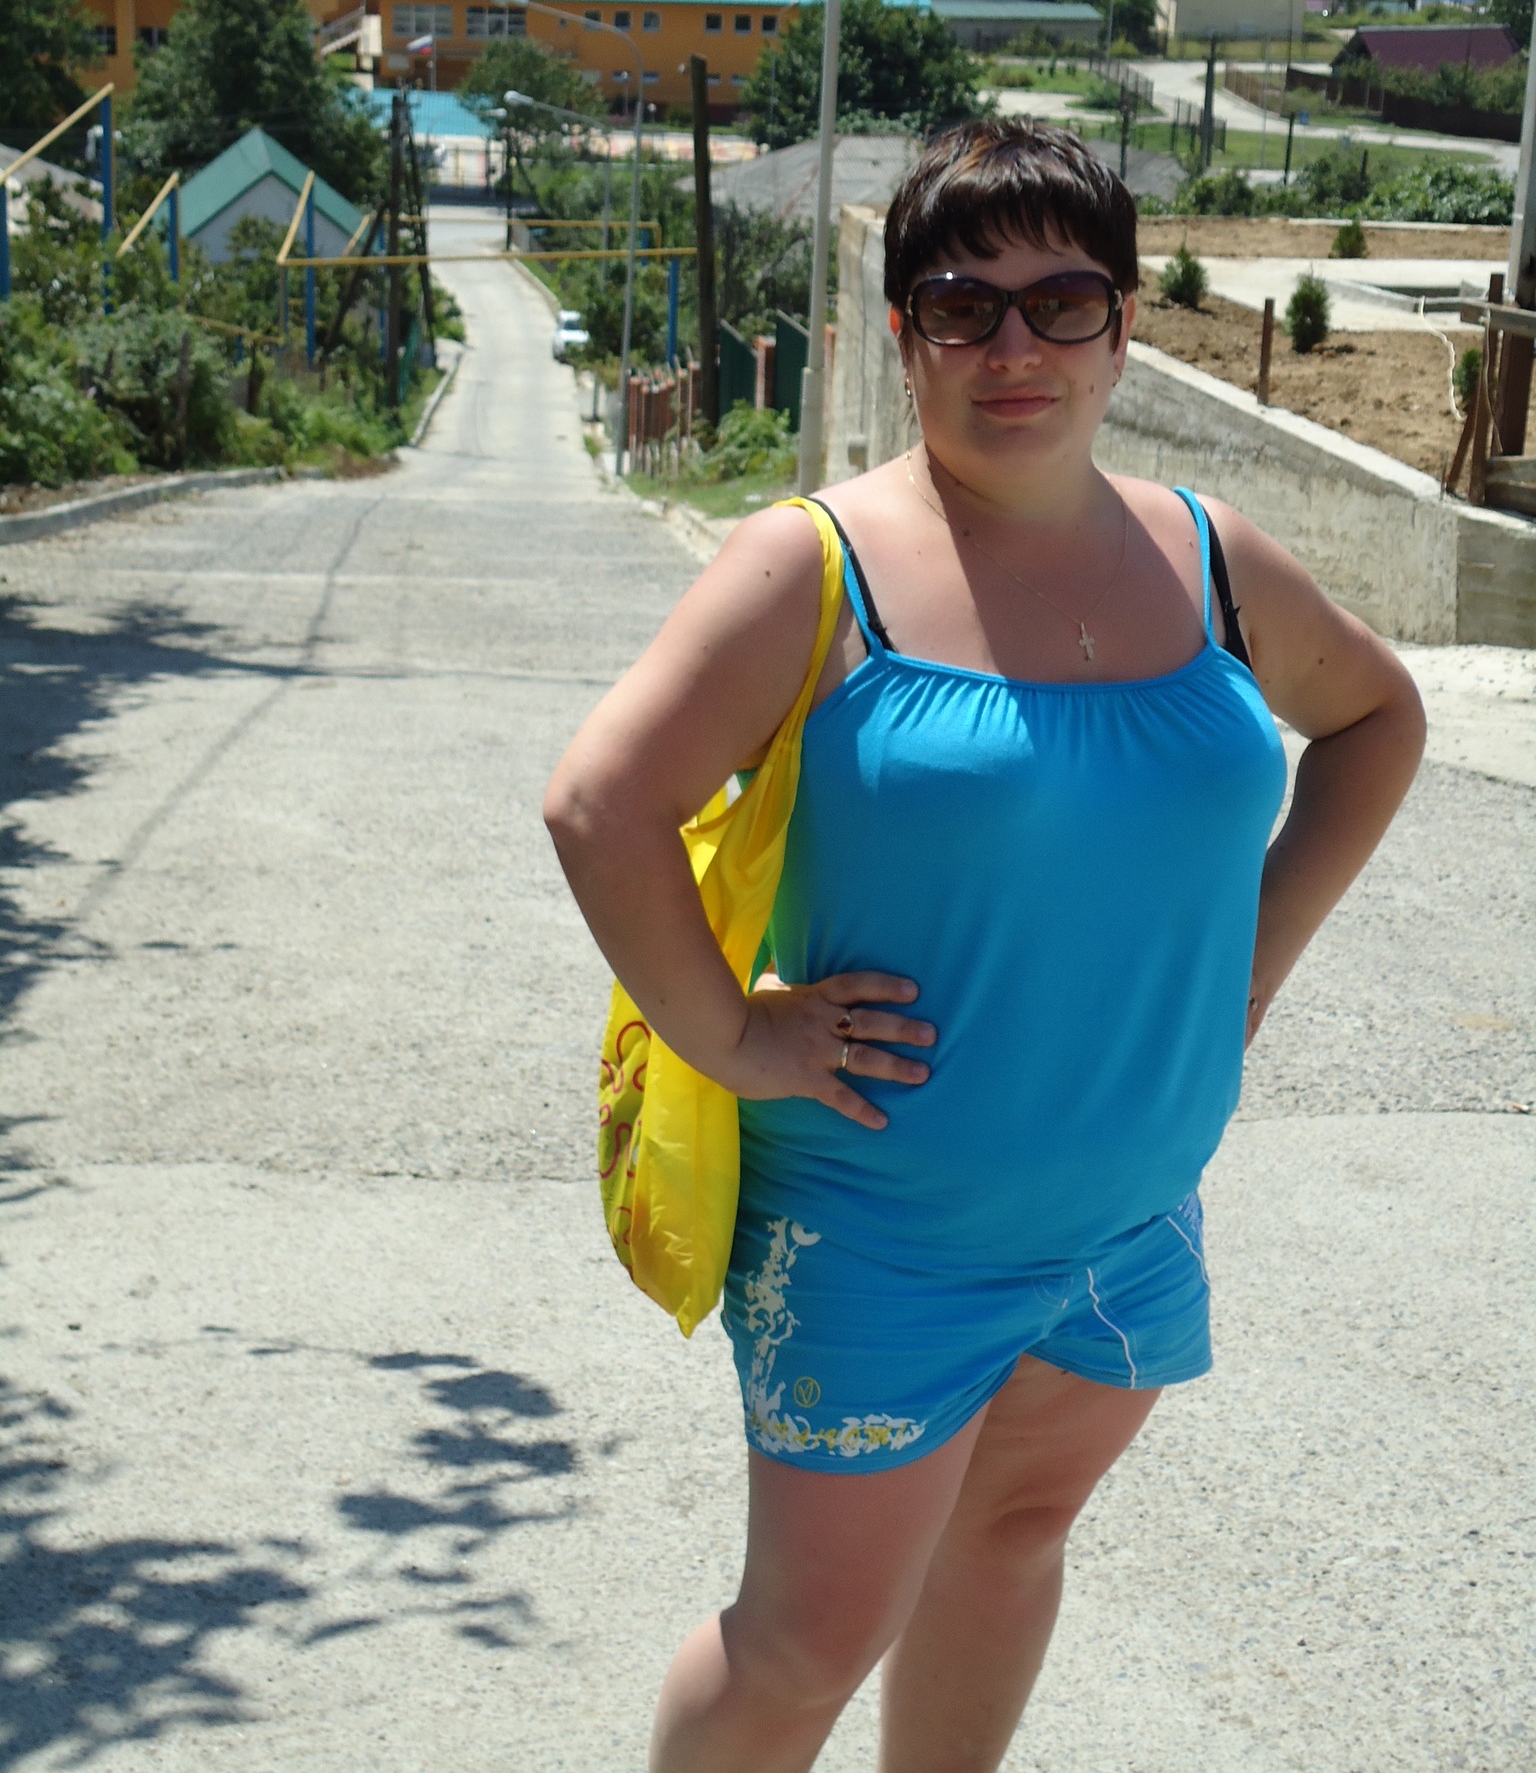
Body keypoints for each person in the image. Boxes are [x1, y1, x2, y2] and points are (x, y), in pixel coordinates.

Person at [544, 119, 1425, 1773]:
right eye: (963, 307)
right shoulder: (811, 566)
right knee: (803, 1645)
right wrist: (733, 1035)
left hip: (1128, 1218)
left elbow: (1379, 717)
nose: (1016, 347)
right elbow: (602, 804)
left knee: (1011, 1543)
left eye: (1062, 302)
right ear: (905, 337)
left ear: (1126, 325)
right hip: (883, 1233)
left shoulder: (1213, 558)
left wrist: (1254, 966)